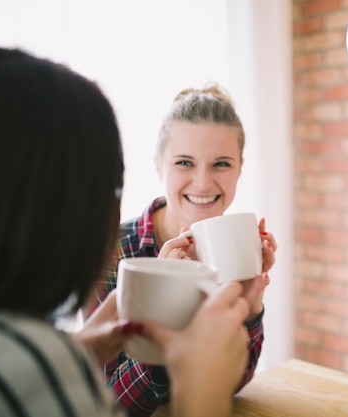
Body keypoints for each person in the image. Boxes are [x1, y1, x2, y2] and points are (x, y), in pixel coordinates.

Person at [0, 46, 250, 417]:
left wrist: (74, 354)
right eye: (109, 188)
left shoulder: (33, 357)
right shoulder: (26, 368)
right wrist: (200, 394)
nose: (109, 216)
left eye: (221, 163)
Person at [88, 83, 277, 416]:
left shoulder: (232, 249)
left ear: (240, 169)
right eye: (184, 162)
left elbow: (234, 383)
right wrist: (163, 312)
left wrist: (249, 310)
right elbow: (106, 402)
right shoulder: (110, 250)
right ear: (159, 166)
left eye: (221, 164)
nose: (203, 183)